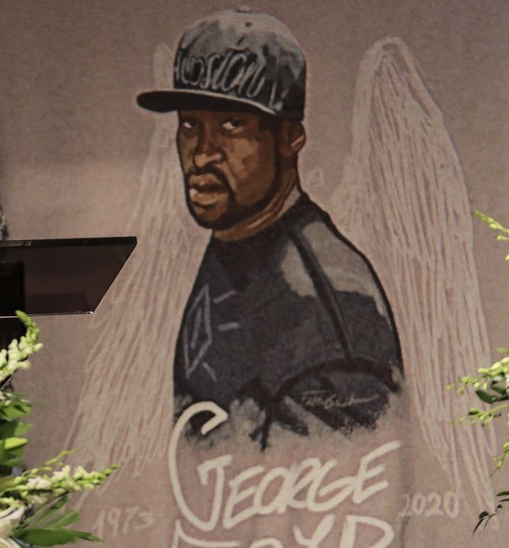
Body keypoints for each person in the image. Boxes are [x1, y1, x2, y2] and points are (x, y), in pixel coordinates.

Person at [136, 8, 403, 448]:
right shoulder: (237, 237)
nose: (202, 154)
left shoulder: (327, 303)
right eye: (190, 124)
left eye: (232, 124)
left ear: (290, 137)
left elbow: (345, 501)